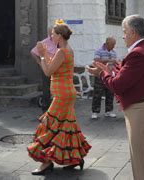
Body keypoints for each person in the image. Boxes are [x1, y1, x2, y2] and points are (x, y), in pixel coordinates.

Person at [86, 14, 144, 180]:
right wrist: (115, 69)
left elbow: (117, 85)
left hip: (140, 111)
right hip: (143, 107)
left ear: (133, 33)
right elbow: (136, 76)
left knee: (141, 161)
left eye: (124, 31)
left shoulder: (138, 53)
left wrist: (102, 74)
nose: (123, 36)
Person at [27, 19, 91, 175]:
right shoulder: (65, 49)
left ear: (60, 36)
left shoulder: (62, 51)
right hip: (66, 93)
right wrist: (46, 56)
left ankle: (45, 163)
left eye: (53, 34)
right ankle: (75, 158)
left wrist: (42, 55)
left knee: (48, 125)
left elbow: (48, 71)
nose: (51, 37)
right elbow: (54, 66)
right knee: (66, 126)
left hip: (62, 94)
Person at [30, 27, 57, 112]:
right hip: (47, 68)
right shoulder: (45, 42)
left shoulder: (60, 43)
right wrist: (40, 63)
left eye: (53, 33)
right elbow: (33, 52)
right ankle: (45, 110)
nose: (52, 35)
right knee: (46, 88)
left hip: (58, 68)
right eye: (50, 34)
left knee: (58, 88)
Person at [91, 37, 118, 119]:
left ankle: (108, 111)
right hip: (100, 74)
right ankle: (95, 112)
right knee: (97, 94)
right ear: (107, 43)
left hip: (110, 75)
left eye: (114, 44)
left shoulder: (114, 52)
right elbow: (96, 61)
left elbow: (114, 64)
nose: (114, 46)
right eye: (112, 44)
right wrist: (109, 60)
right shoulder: (99, 50)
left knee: (110, 93)